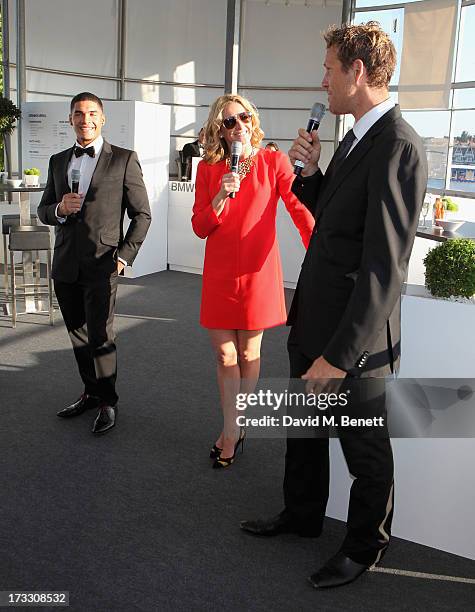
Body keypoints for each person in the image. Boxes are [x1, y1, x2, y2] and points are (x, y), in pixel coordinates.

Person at [240, 22, 428, 588]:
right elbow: (338, 227)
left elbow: (383, 266)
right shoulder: (356, 137)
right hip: (315, 319)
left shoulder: (397, 144)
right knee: (303, 429)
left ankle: (366, 545)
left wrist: (341, 356)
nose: (322, 78)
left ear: (358, 72)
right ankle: (301, 516)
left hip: (356, 343)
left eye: (329, 68)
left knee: (365, 449)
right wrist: (314, 175)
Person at [191, 94, 314, 468]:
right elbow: (200, 227)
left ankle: (235, 426)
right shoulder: (209, 170)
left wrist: (321, 249)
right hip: (220, 273)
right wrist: (219, 197)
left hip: (258, 274)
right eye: (229, 121)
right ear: (220, 130)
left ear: (252, 119)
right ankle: (233, 428)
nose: (238, 124)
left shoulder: (271, 160)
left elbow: (298, 206)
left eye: (243, 116)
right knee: (225, 354)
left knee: (248, 353)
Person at [38, 92, 151, 435]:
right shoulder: (58, 161)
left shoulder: (124, 160)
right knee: (78, 335)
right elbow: (44, 210)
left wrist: (123, 257)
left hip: (103, 265)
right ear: (70, 119)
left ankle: (108, 401)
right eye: (77, 114)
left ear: (102, 119)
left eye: (91, 114)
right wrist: (59, 209)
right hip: (66, 266)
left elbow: (142, 215)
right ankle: (89, 392)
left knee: (101, 336)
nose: (84, 119)